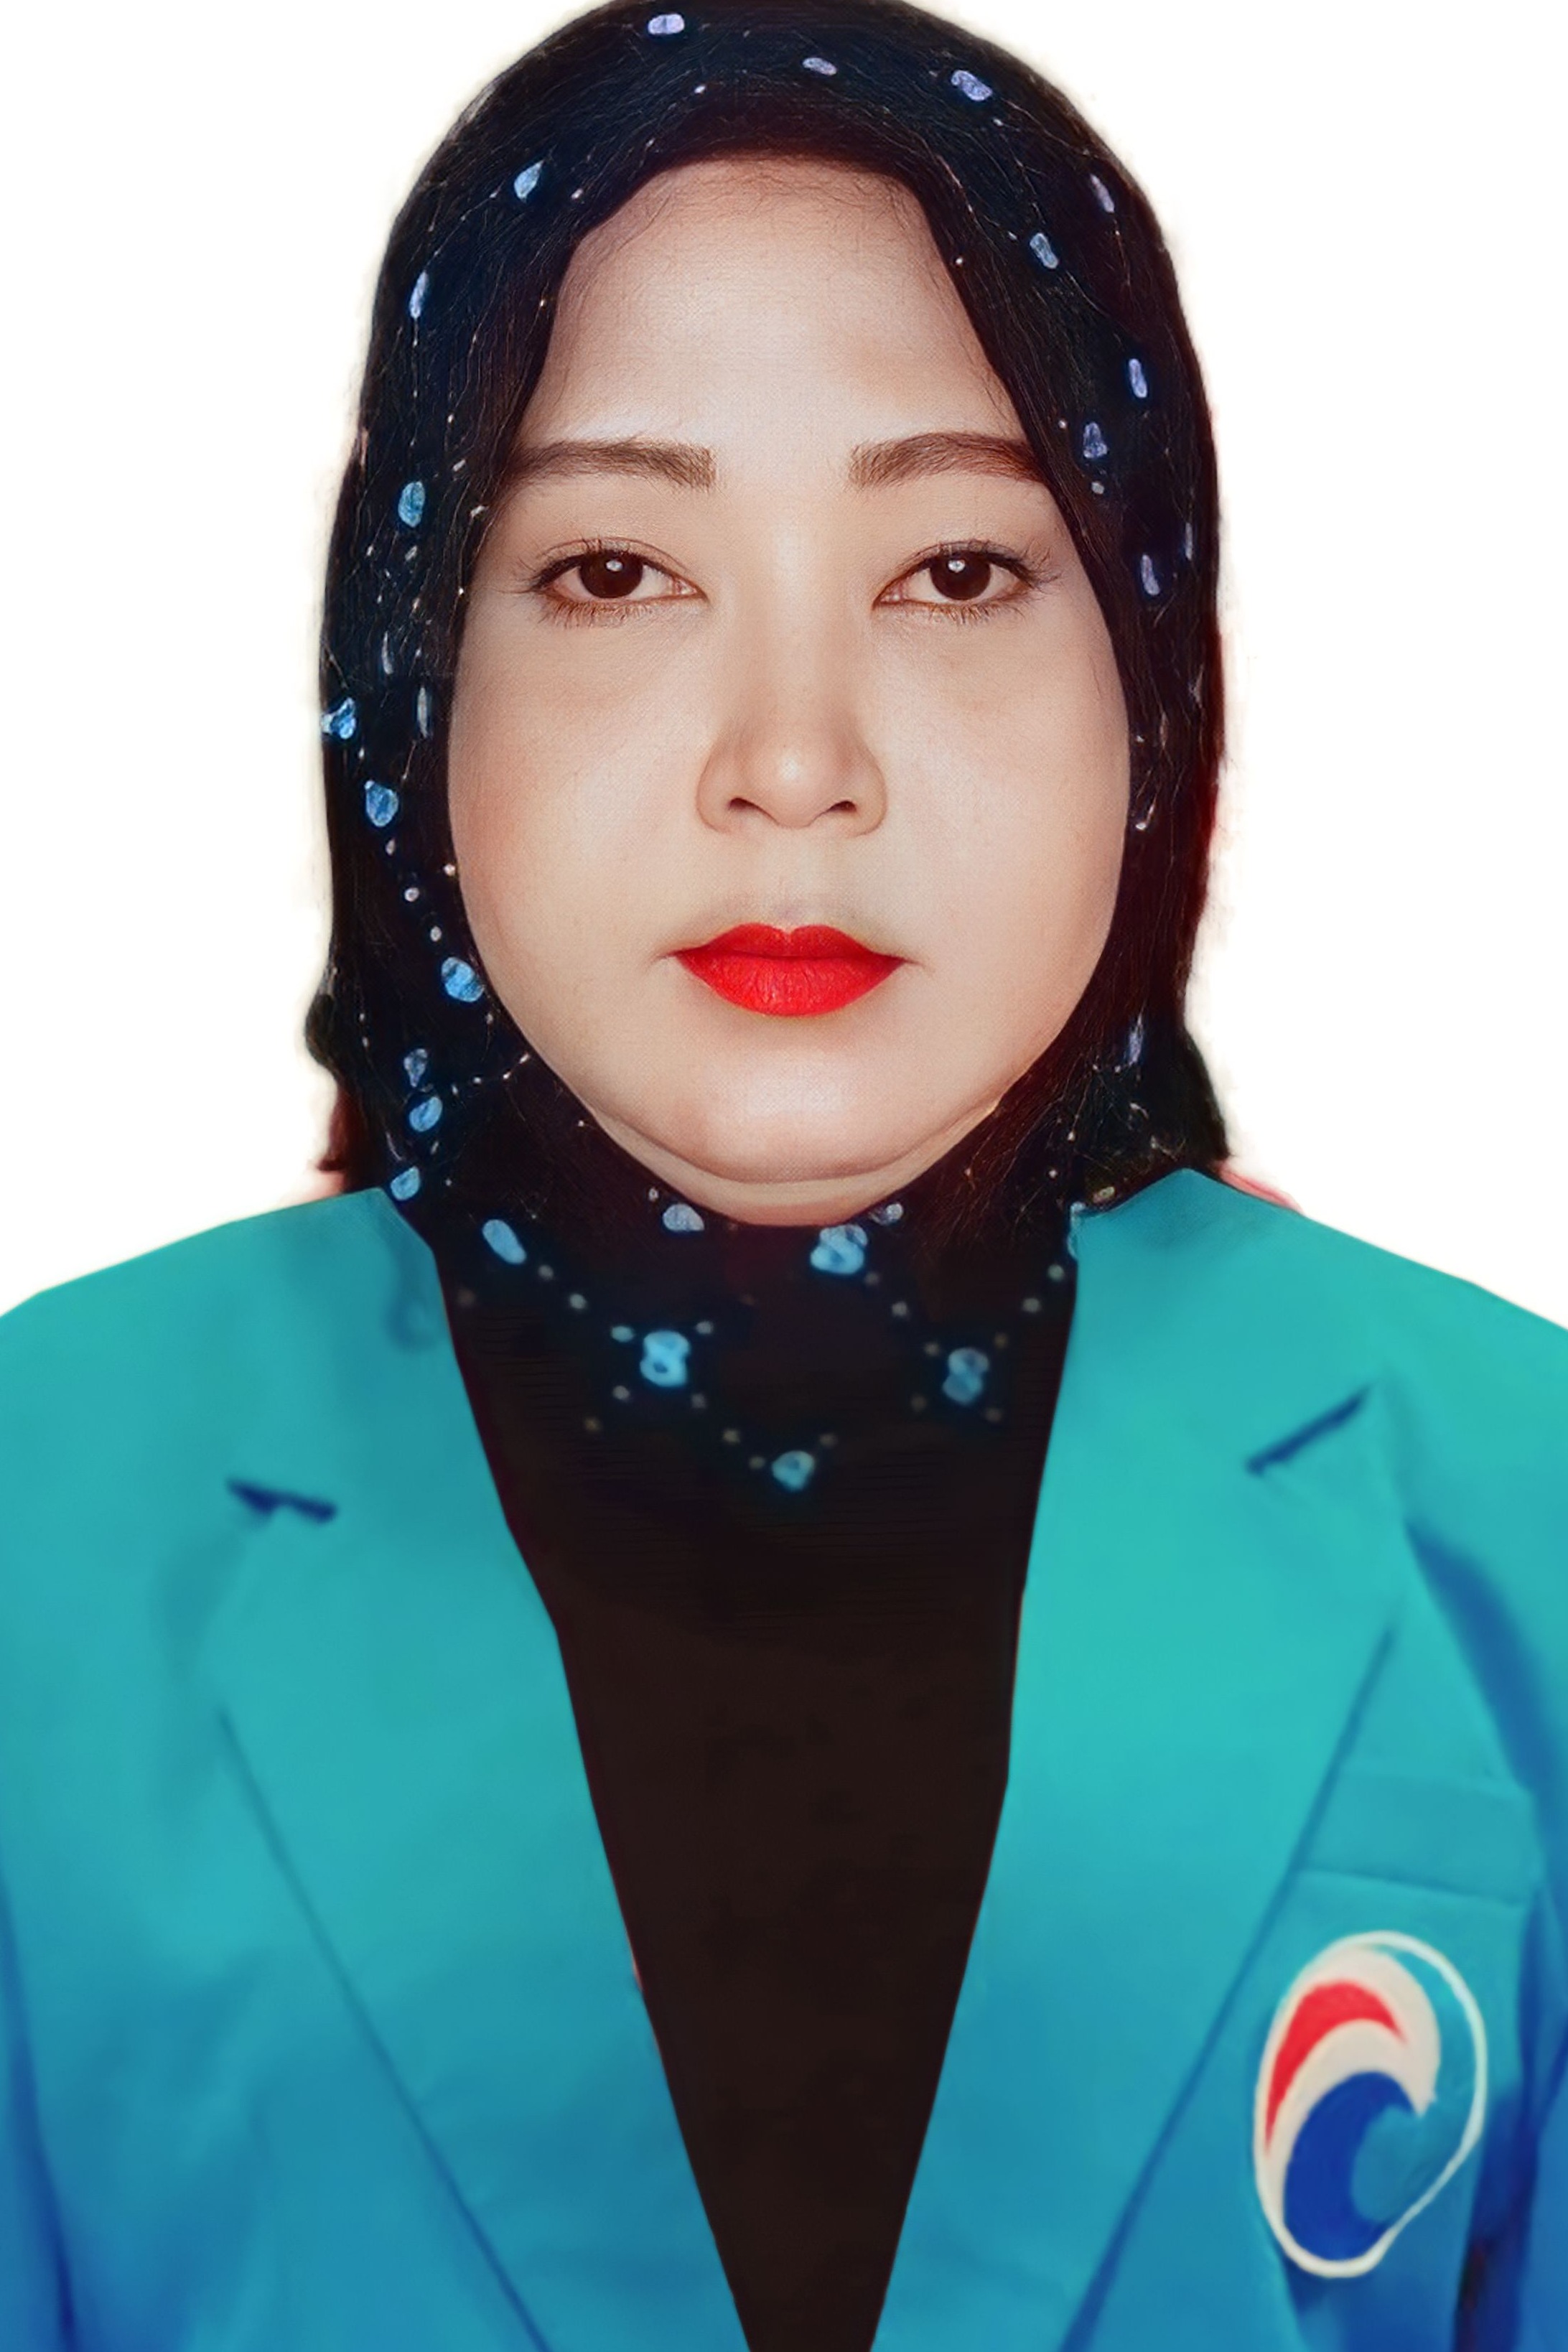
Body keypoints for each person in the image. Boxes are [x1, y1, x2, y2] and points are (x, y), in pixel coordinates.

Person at [0, 2, 1562, 2347]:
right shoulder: (36, 1521)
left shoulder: (1523, 1513)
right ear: (415, 668)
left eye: (958, 569)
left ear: (1154, 671)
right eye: (618, 570)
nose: (796, 760)